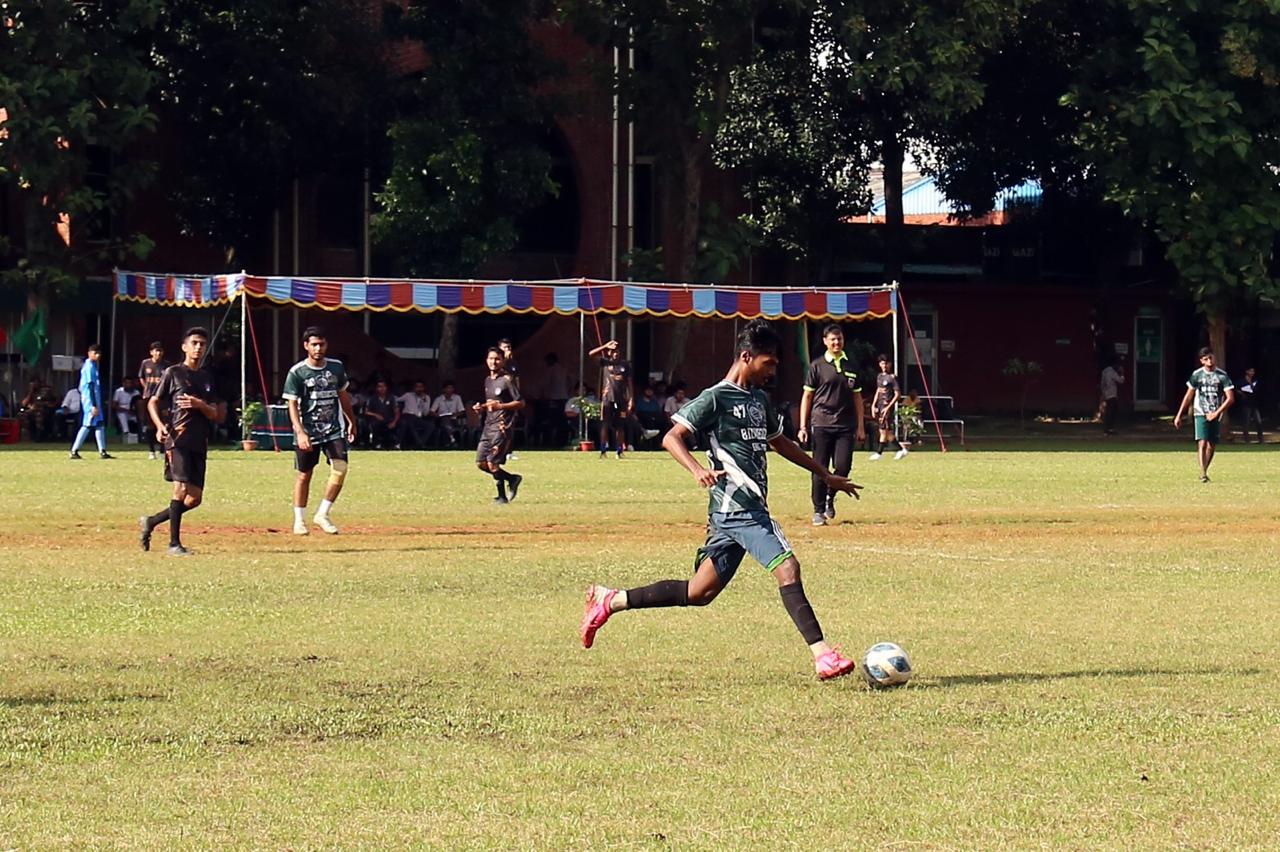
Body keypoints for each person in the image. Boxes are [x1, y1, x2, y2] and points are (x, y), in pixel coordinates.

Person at [580, 319, 865, 680]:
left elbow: (781, 444)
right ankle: (823, 655)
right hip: (741, 509)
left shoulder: (759, 400)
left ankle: (611, 599)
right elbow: (671, 437)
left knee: (699, 592)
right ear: (746, 356)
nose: (773, 370)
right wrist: (697, 469)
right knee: (788, 567)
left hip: (729, 514)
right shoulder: (716, 397)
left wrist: (825, 474)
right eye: (769, 362)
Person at [139, 327, 226, 556]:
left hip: (199, 441)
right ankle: (174, 544)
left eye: (202, 344)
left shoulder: (207, 378)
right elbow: (153, 402)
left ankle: (151, 521)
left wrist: (200, 405)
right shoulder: (173, 372)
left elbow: (216, 414)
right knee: (180, 489)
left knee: (194, 498)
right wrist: (159, 426)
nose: (198, 347)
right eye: (194, 343)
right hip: (177, 438)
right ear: (184, 347)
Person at [283, 327, 357, 535]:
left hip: (333, 429)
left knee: (341, 468)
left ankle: (323, 514)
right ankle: (299, 520)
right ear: (306, 346)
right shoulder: (297, 372)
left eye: (321, 344)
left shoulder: (336, 367)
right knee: (304, 475)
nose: (318, 348)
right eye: (314, 344)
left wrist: (351, 421)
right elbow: (292, 404)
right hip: (308, 430)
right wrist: (300, 432)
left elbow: (343, 396)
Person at [797, 324, 864, 526]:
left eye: (839, 339)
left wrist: (860, 426)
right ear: (825, 341)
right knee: (819, 467)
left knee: (843, 466)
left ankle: (830, 496)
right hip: (821, 423)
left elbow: (857, 398)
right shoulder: (817, 366)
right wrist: (803, 426)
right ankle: (818, 510)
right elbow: (807, 396)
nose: (836, 342)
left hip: (845, 424)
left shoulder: (851, 365)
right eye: (833, 339)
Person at [1173, 347, 1235, 483]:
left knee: (1212, 444)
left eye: (1211, 357)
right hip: (1200, 411)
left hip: (1215, 412)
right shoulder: (1197, 375)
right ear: (1201, 361)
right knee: (1202, 442)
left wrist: (1217, 413)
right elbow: (1188, 396)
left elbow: (1230, 398)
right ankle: (1203, 473)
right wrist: (1179, 415)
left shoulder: (1222, 375)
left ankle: (1205, 469)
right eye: (1206, 359)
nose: (1209, 361)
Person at [475, 347, 524, 503]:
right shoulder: (487, 380)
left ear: (503, 361)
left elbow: (520, 402)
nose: (493, 362)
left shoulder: (507, 380)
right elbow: (492, 403)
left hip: (502, 426)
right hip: (488, 426)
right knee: (481, 463)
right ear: (486, 360)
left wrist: (501, 407)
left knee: (492, 463)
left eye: (497, 359)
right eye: (491, 358)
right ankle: (512, 479)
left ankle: (502, 497)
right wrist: (481, 407)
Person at [589, 339, 634, 458]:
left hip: (621, 399)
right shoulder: (605, 362)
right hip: (607, 399)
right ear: (609, 352)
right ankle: (603, 450)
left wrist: (631, 399)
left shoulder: (625, 365)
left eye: (617, 351)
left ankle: (619, 451)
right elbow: (591, 354)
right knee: (604, 424)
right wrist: (604, 346)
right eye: (613, 351)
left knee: (620, 426)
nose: (615, 353)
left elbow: (629, 383)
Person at [69, 344, 112, 459]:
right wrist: (93, 405)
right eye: (95, 353)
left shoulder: (93, 366)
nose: (98, 356)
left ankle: (102, 451)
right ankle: (74, 450)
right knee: (87, 424)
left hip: (96, 400)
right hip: (90, 401)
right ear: (89, 354)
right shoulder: (88, 367)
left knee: (99, 424)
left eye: (99, 353)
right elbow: (90, 386)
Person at [138, 341, 171, 459]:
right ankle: (151, 451)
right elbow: (141, 377)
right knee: (150, 425)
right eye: (156, 351)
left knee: (164, 423)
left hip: (161, 398)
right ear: (151, 352)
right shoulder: (145, 363)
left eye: (160, 351)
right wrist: (146, 388)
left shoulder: (166, 365)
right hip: (148, 397)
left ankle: (162, 450)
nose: (158, 353)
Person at [870, 353, 906, 460]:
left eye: (886, 363)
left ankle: (879, 453)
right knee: (887, 431)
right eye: (882, 363)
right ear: (879, 364)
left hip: (886, 407)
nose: (884, 366)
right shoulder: (880, 377)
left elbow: (897, 395)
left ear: (890, 364)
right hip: (880, 406)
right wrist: (873, 405)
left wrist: (888, 407)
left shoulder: (892, 378)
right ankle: (901, 450)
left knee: (883, 430)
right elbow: (878, 391)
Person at [396, 380, 434, 449]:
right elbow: (397, 400)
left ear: (424, 388)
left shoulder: (427, 397)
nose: (419, 389)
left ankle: (420, 443)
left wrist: (424, 401)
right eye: (417, 387)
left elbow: (425, 413)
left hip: (418, 418)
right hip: (407, 416)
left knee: (431, 425)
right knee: (410, 422)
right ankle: (419, 445)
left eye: (421, 387)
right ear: (414, 388)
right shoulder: (408, 395)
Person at [430, 380, 467, 447]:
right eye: (448, 388)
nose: (450, 390)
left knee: (448, 423)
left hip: (454, 419)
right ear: (444, 389)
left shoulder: (457, 398)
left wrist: (455, 414)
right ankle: (452, 438)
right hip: (441, 419)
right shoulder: (439, 399)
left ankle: (449, 441)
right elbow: (432, 412)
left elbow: (462, 411)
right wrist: (437, 415)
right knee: (445, 420)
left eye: (451, 388)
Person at [364, 379, 400, 449]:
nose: (382, 388)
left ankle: (397, 444)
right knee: (374, 424)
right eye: (379, 387)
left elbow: (397, 411)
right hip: (377, 421)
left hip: (389, 420)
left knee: (402, 423)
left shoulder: (392, 398)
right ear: (376, 388)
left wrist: (394, 422)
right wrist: (375, 415)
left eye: (384, 386)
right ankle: (377, 444)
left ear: (387, 387)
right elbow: (366, 411)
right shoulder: (372, 398)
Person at [1100, 357, 1126, 436]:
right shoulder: (1112, 372)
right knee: (1111, 412)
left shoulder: (1104, 371)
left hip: (1106, 394)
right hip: (1112, 394)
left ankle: (1108, 429)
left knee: (1109, 412)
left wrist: (1103, 393)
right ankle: (1109, 429)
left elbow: (1102, 384)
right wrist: (1122, 373)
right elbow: (1121, 381)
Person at [1237, 367, 1262, 443]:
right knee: (1246, 422)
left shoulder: (1255, 381)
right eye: (1250, 371)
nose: (1252, 373)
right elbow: (1236, 389)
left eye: (1253, 371)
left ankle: (1261, 440)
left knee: (1258, 422)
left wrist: (1251, 385)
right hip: (1245, 404)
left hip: (1254, 404)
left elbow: (1257, 390)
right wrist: (1240, 393)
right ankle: (1247, 440)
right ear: (1246, 371)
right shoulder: (1241, 381)